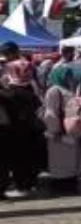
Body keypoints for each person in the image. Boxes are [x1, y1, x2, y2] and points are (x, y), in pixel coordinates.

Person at [0, 60, 43, 198]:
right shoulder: (32, 90)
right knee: (30, 157)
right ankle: (29, 183)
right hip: (32, 131)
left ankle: (21, 184)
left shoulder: (8, 93)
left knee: (18, 159)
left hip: (14, 132)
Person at [41, 64, 81, 195]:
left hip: (69, 132)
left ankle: (69, 185)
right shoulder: (54, 90)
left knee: (70, 161)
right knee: (59, 162)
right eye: (67, 75)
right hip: (58, 133)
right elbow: (50, 112)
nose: (70, 77)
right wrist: (55, 129)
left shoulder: (67, 89)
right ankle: (60, 187)